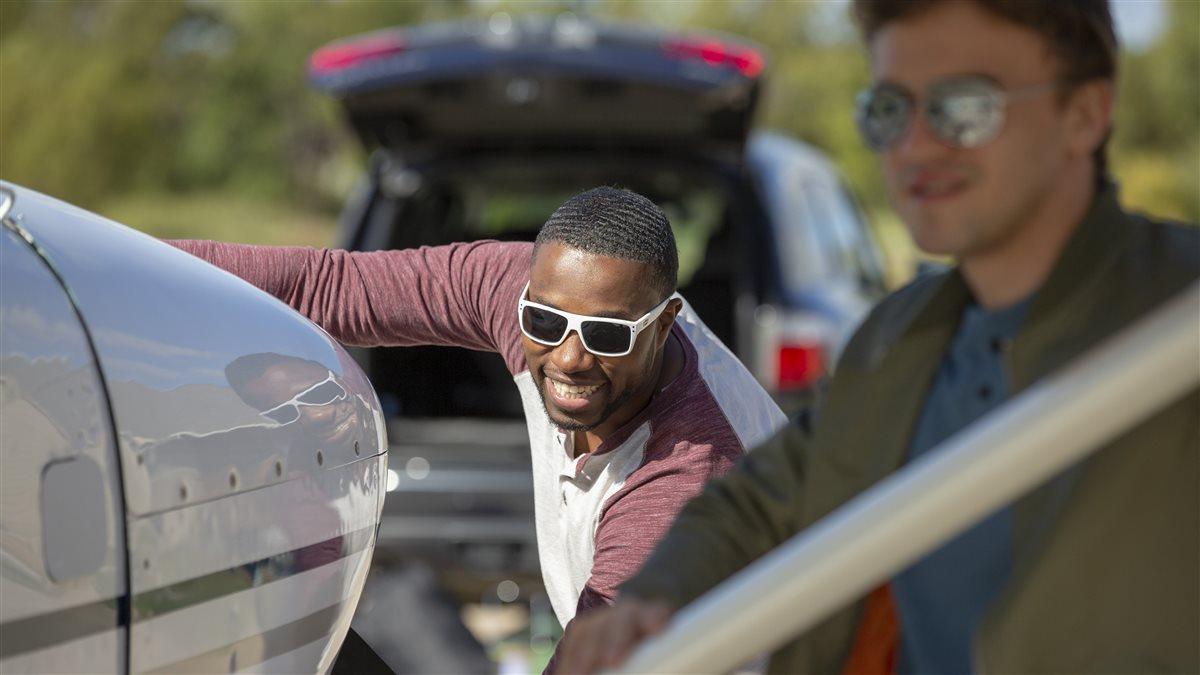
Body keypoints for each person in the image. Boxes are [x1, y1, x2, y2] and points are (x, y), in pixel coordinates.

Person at [557, 1, 1200, 673]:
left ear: (1085, 113)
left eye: (965, 105)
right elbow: (758, 500)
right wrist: (650, 600)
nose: (915, 145)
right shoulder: (896, 338)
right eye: (891, 109)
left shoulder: (1176, 321)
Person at [170, 186, 787, 635]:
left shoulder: (683, 477)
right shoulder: (532, 291)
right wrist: (121, 268)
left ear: (666, 322)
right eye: (543, 322)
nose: (569, 358)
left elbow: (597, 657)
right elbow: (323, 287)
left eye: (607, 335)